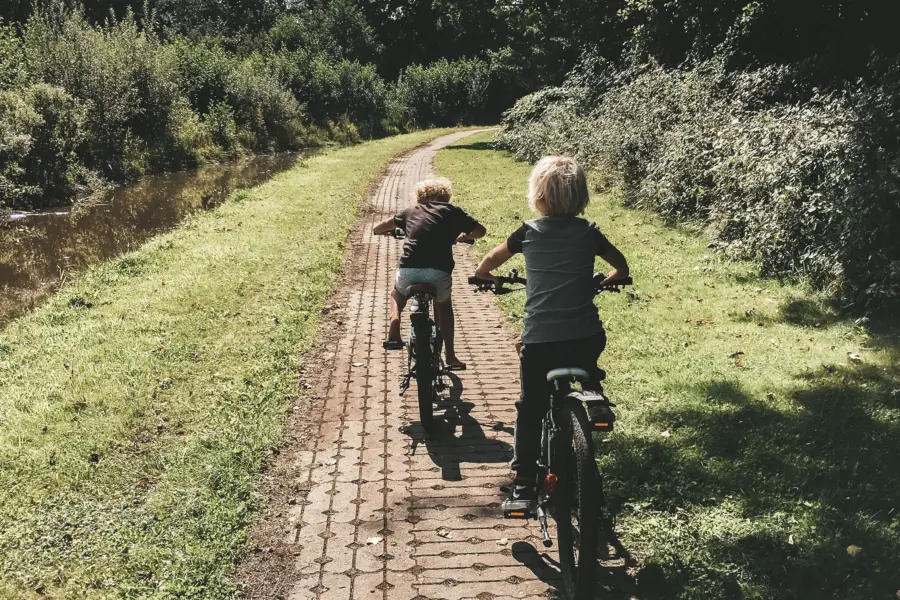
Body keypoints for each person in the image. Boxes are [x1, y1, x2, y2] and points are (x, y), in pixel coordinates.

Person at [472, 156, 629, 508]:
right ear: (581, 196)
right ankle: (594, 393)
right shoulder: (590, 232)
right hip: (584, 336)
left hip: (541, 339)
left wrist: (486, 277)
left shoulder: (527, 232)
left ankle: (524, 481)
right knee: (589, 352)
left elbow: (487, 264)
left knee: (530, 407)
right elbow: (621, 267)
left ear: (537, 196)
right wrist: (609, 280)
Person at [374, 177, 486, 370]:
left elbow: (377, 228)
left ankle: (395, 318)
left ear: (420, 198)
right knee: (444, 305)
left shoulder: (410, 212)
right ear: (446, 197)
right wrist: (464, 236)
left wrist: (391, 232)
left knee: (397, 293)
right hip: (438, 273)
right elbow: (480, 232)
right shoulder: (453, 212)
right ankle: (450, 355)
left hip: (409, 270)